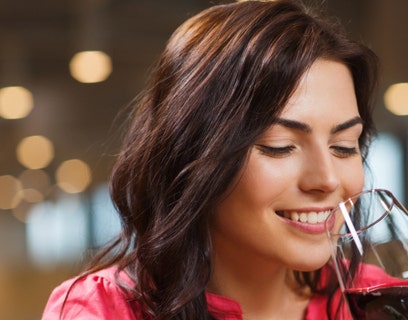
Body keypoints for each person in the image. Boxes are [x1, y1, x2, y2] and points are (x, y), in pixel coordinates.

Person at [42, 0, 382, 319]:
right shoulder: (103, 309)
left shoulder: (374, 298)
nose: (326, 179)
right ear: (192, 152)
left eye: (344, 146)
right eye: (279, 146)